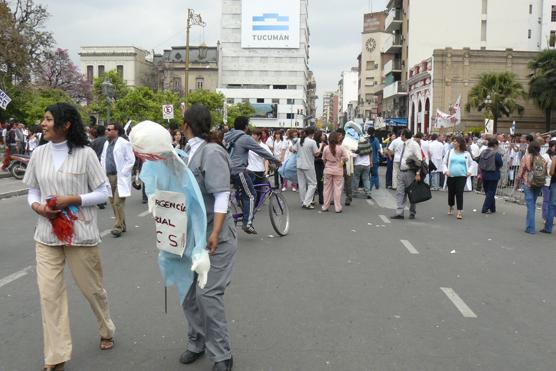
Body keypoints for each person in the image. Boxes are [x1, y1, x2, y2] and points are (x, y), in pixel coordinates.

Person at [22, 103, 116, 371]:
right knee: (49, 296)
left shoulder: (86, 155)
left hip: (81, 235)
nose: (43, 123)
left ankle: (106, 328)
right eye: (44, 118)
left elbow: (102, 193)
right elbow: (33, 191)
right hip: (46, 234)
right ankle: (56, 356)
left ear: (65, 125)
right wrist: (39, 207)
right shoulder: (39, 154)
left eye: (49, 119)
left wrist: (73, 199)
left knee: (93, 290)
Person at [179, 104, 237, 371]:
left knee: (208, 295)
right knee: (189, 294)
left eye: (182, 122)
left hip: (216, 238)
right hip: (191, 237)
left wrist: (214, 232)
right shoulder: (187, 153)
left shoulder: (211, 152)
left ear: (187, 125)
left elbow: (222, 194)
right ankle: (197, 341)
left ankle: (222, 354)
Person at [223, 116, 280, 234]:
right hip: (238, 170)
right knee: (251, 195)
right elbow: (261, 151)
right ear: (246, 127)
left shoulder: (226, 136)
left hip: (226, 170)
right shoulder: (245, 138)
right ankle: (247, 223)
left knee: (250, 178)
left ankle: (242, 203)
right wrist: (275, 160)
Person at [100, 123, 136, 237]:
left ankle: (118, 227)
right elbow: (103, 158)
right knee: (112, 202)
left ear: (116, 131)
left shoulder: (124, 143)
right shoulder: (107, 143)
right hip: (108, 176)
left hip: (119, 176)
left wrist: (124, 172)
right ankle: (122, 224)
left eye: (109, 129)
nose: (106, 131)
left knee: (117, 203)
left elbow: (131, 160)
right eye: (106, 129)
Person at [515, 141, 547, 234]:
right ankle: (529, 226)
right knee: (532, 203)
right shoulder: (542, 158)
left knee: (530, 206)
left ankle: (530, 228)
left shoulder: (526, 157)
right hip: (538, 183)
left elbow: (521, 171)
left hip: (528, 183)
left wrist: (517, 183)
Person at [391, 129, 422, 220]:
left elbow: (419, 160)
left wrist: (417, 173)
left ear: (404, 135)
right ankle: (399, 213)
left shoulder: (414, 145)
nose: (400, 136)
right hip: (402, 171)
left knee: (411, 193)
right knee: (400, 192)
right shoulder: (401, 144)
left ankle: (412, 212)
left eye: (401, 135)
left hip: (410, 172)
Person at [443, 136, 473, 219]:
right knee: (451, 193)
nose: (453, 143)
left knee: (459, 193)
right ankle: (451, 205)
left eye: (455, 141)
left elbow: (471, 164)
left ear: (460, 143)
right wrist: (446, 171)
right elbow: (444, 163)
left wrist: (469, 171)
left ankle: (459, 211)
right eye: (453, 141)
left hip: (462, 176)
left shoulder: (466, 154)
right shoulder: (450, 152)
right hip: (451, 176)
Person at [292, 127, 320, 209]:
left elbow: (293, 150)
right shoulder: (312, 142)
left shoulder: (299, 140)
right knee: (313, 183)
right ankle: (307, 202)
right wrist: (321, 147)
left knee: (302, 184)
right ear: (312, 133)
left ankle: (303, 201)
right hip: (308, 165)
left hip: (299, 164)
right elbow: (316, 154)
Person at [322, 132, 348, 213]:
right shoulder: (341, 148)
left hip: (328, 170)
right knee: (337, 189)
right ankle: (338, 207)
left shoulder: (326, 148)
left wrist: (327, 165)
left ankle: (325, 206)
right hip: (338, 170)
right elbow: (346, 158)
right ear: (337, 139)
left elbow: (323, 159)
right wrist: (341, 161)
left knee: (326, 189)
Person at [246, 128, 272, 204]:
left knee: (257, 189)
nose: (252, 136)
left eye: (254, 134)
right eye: (252, 134)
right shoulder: (248, 145)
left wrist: (266, 170)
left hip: (259, 170)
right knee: (250, 189)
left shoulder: (264, 146)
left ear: (258, 136)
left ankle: (255, 205)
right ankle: (250, 204)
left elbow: (266, 158)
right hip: (249, 170)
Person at [479, 138, 503, 214]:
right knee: (491, 191)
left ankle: (493, 208)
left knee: (487, 191)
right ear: (495, 145)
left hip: (484, 173)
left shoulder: (483, 152)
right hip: (493, 174)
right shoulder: (496, 153)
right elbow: (500, 163)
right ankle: (485, 208)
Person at [540, 140, 555, 233]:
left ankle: (549, 220)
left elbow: (552, 172)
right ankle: (546, 217)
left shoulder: (554, 157)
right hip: (547, 181)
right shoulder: (546, 156)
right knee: (547, 200)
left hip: (552, 181)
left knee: (552, 202)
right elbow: (542, 167)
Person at [313, 130, 326, 205]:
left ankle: (321, 198)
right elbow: (316, 154)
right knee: (318, 182)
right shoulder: (316, 143)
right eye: (322, 135)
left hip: (322, 165)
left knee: (321, 182)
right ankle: (314, 198)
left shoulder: (325, 143)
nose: (324, 136)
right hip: (317, 165)